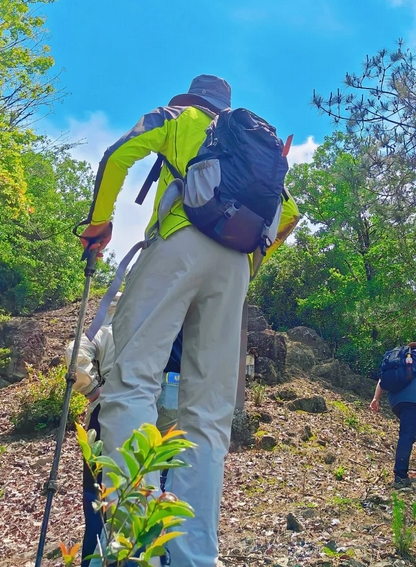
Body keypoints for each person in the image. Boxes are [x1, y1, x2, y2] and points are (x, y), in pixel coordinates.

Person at [78, 75, 298, 567]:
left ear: (193, 98)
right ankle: (193, 556)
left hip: (177, 244)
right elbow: (288, 214)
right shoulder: (255, 149)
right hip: (235, 267)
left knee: (132, 382)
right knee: (209, 414)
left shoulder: (180, 117)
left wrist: (100, 223)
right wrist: (246, 263)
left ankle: (134, 543)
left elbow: (118, 153)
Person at [65, 294, 182, 567]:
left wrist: (93, 391)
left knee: (99, 495)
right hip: (156, 414)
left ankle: (98, 556)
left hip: (107, 413)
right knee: (154, 489)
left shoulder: (104, 333)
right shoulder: (155, 331)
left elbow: (74, 353)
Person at [369, 341, 416, 487]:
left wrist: (376, 399)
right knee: (407, 434)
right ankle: (400, 476)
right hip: (411, 400)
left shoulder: (397, 359)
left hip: (395, 403)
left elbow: (382, 380)